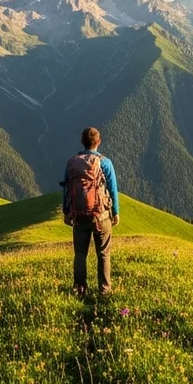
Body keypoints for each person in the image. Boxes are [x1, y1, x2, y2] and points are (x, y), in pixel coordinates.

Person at [61, 126, 120, 295]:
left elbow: (66, 188)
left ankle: (80, 289)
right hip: (100, 216)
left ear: (82, 142)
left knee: (80, 254)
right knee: (103, 253)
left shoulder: (72, 162)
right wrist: (115, 212)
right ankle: (104, 290)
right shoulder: (105, 162)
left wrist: (67, 211)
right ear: (98, 142)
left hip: (79, 216)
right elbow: (113, 189)